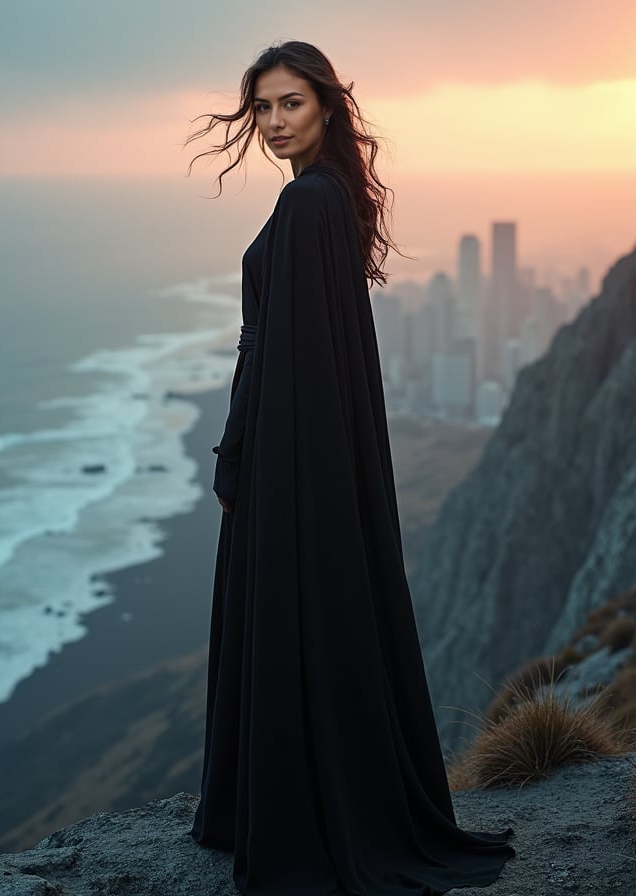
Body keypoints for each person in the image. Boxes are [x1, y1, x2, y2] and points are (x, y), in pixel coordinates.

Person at [185, 41, 515, 895]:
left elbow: (278, 356)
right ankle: (315, 804)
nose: (272, 123)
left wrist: (236, 458)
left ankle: (297, 817)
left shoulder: (309, 207)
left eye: (290, 104)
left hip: (287, 454)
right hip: (306, 447)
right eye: (261, 108)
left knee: (284, 616)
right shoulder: (328, 200)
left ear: (326, 108)